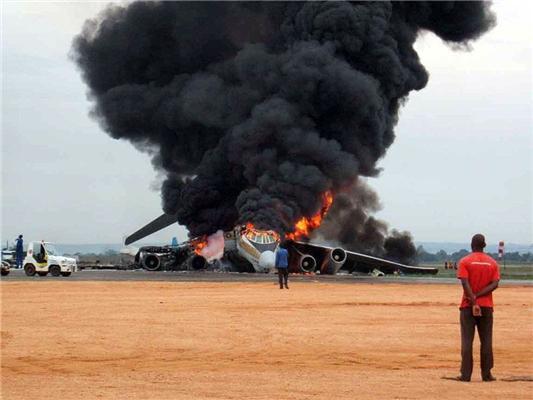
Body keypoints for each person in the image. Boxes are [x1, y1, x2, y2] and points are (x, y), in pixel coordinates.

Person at [455, 233, 500, 382]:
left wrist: (473, 300)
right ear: (484, 245)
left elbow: (464, 282)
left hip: (468, 306)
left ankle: (465, 374)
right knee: (486, 340)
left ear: (471, 245)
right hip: (486, 306)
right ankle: (487, 374)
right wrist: (480, 297)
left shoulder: (465, 261)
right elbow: (495, 284)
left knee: (467, 341)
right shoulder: (493, 263)